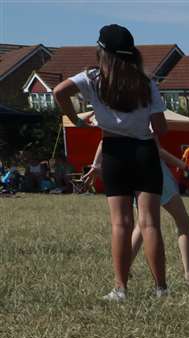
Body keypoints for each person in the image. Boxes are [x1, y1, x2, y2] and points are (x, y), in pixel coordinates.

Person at [53, 23, 168, 301]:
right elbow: (160, 128)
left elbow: (58, 92)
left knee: (120, 224)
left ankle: (120, 289)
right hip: (144, 152)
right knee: (150, 223)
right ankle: (161, 288)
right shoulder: (146, 82)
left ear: (102, 51)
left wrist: (77, 120)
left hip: (114, 152)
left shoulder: (92, 79)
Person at [90, 139, 189, 282]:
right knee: (182, 221)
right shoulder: (143, 117)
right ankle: (188, 273)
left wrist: (96, 163)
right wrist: (186, 167)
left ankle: (124, 270)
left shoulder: (114, 119)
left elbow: (104, 141)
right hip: (153, 171)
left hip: (130, 171)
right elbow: (157, 150)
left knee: (142, 225)